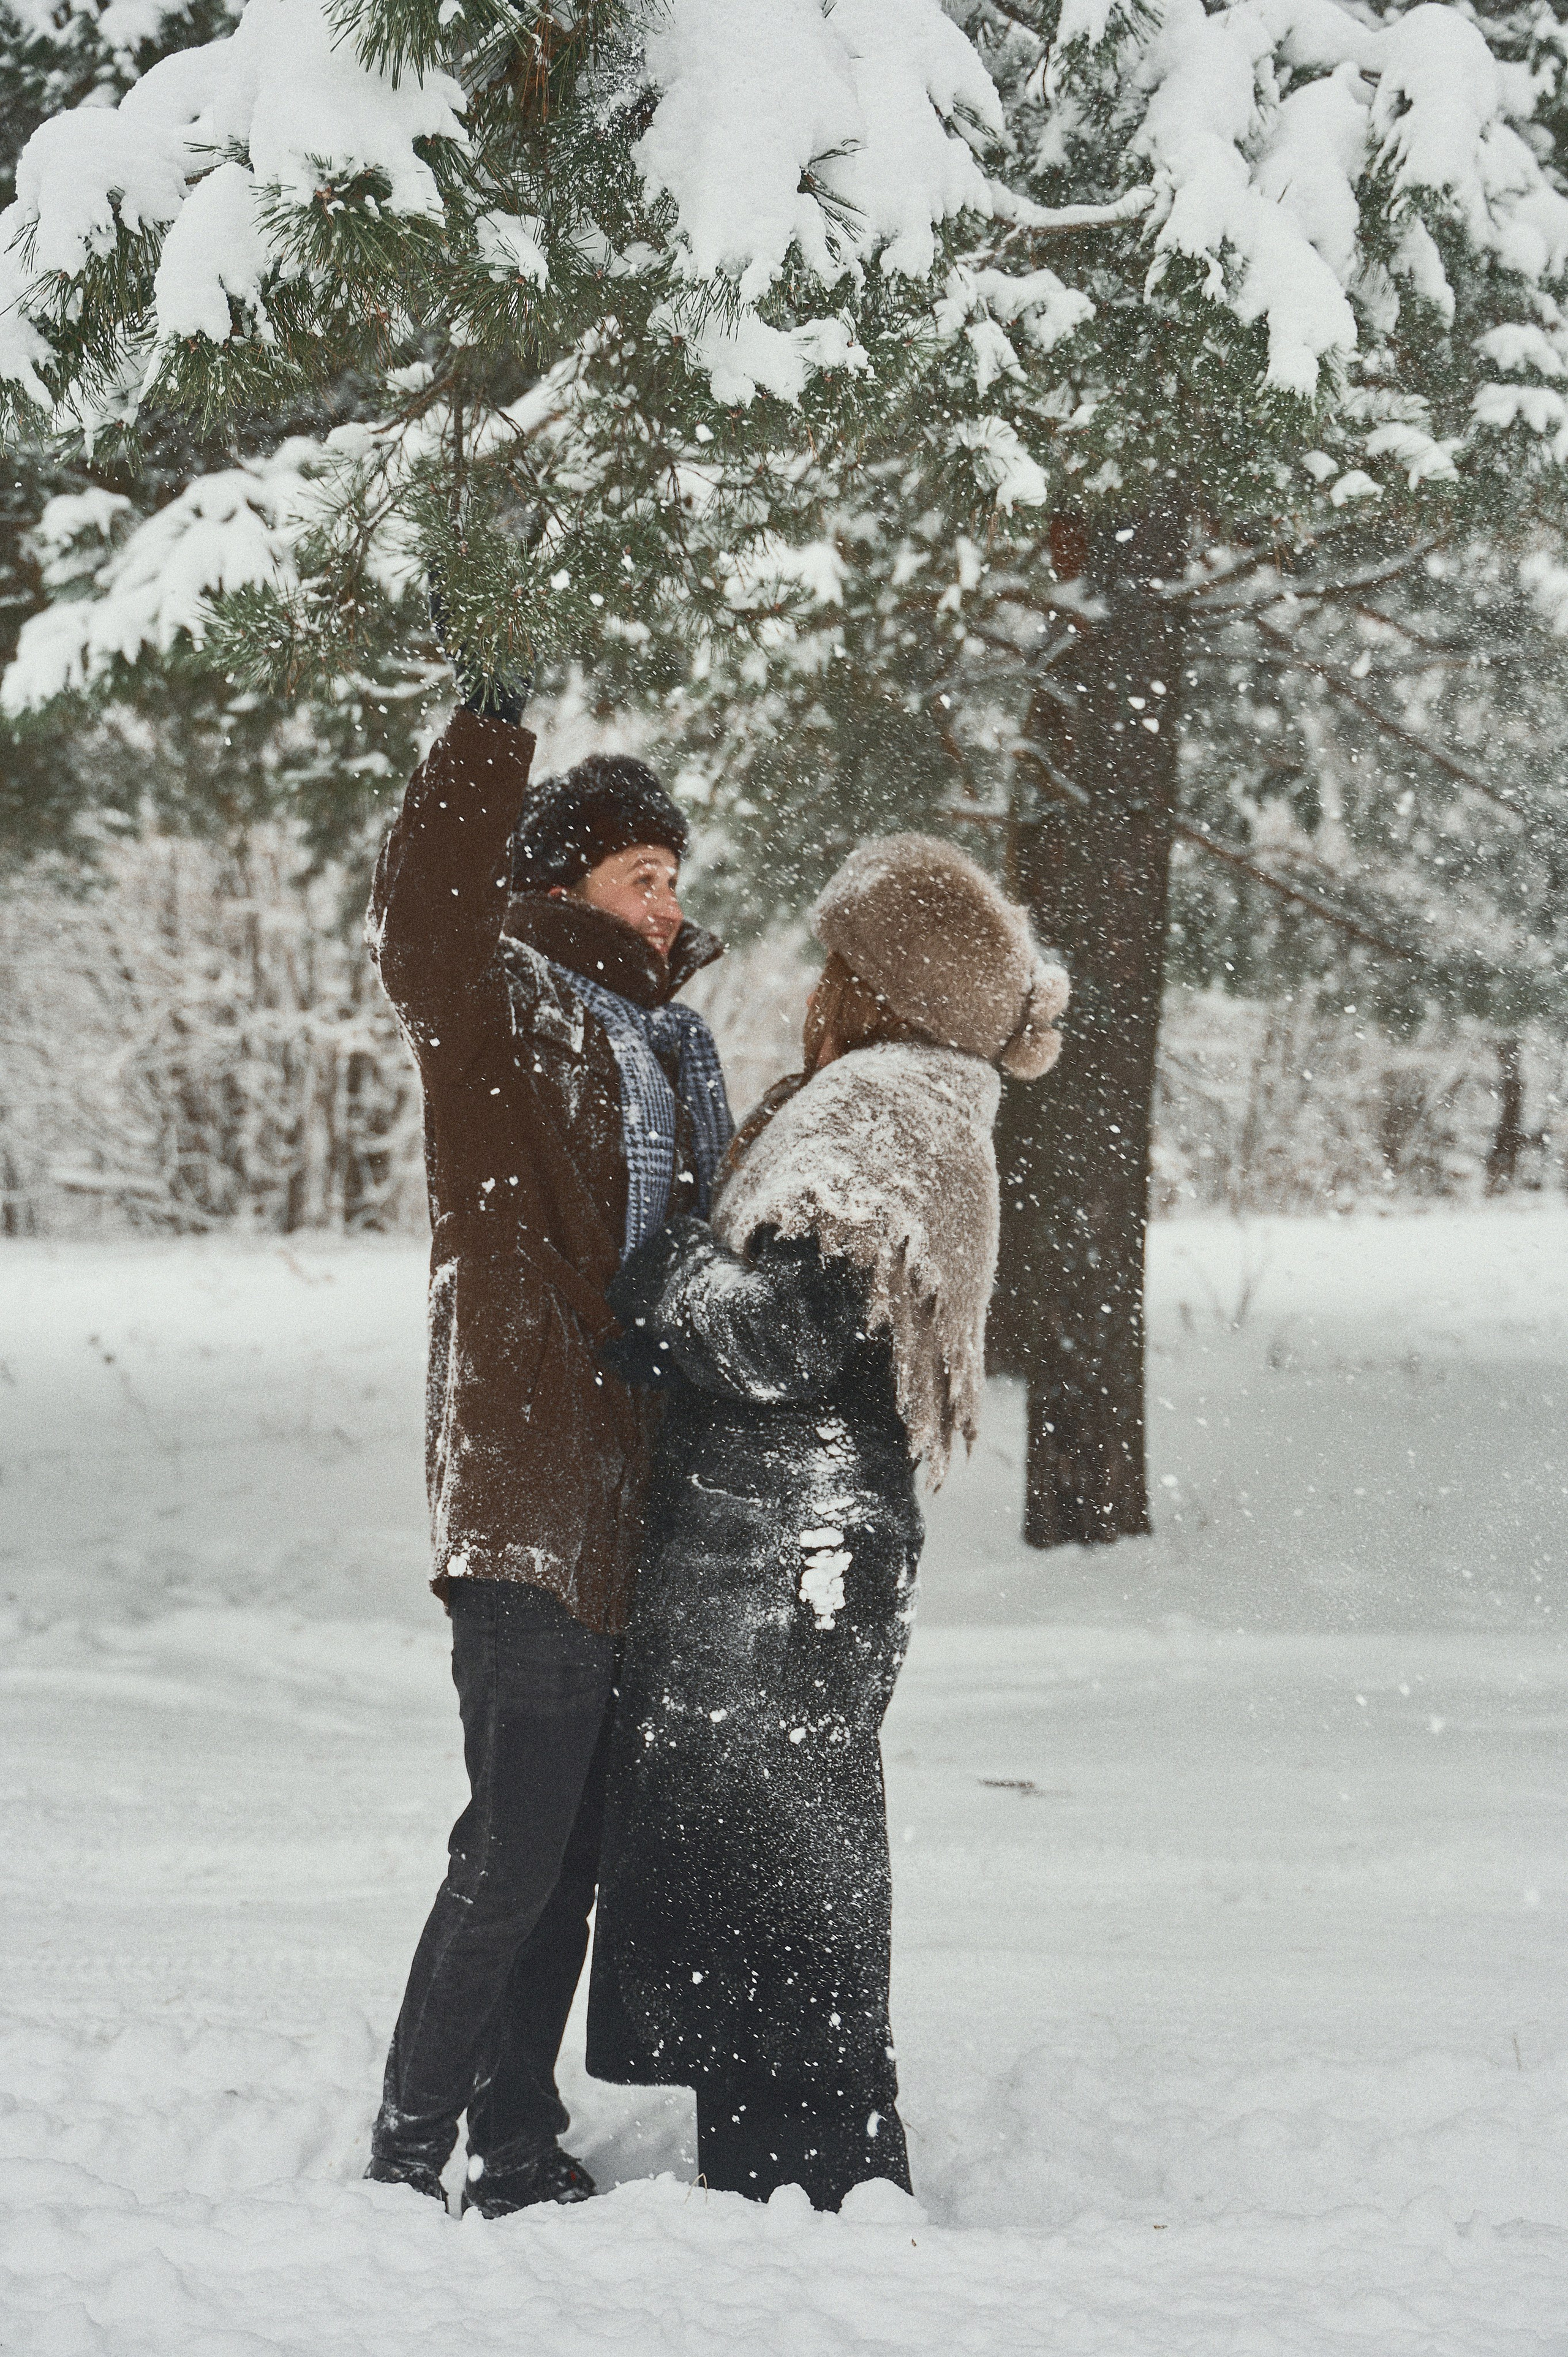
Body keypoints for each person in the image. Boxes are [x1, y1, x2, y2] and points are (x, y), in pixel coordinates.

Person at [586, 834, 1068, 2209]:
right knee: (787, 1854)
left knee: (777, 1865)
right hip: (807, 1539)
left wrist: (667, 1271)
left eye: (836, 962)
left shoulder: (880, 1108)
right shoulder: (914, 1102)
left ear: (880, 984)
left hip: (781, 1543)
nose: (814, 986)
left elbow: (787, 1332)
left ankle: (809, 2189)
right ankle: (802, 2177)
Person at [362, 647, 733, 2217]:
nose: (666, 905)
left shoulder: (675, 1048)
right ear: (567, 882)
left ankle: (517, 2145)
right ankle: (402, 2154)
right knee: (511, 1850)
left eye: (674, 879)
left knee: (567, 1861)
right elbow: (422, 916)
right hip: (522, 1488)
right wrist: (487, 725)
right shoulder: (497, 1005)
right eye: (643, 876)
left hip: (632, 1499)